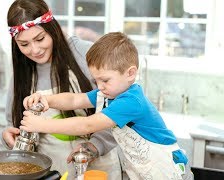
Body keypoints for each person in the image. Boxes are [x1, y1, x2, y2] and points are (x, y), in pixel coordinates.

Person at [21, 32, 194, 180]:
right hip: (146, 171)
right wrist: (47, 99)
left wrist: (42, 125)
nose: (99, 86)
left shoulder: (131, 102)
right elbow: (74, 100)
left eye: (104, 80)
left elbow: (87, 124)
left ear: (130, 73)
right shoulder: (108, 93)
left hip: (168, 172)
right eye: (95, 80)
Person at [0, 0, 122, 179]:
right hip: (51, 170)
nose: (35, 50)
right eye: (24, 44)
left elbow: (120, 108)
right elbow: (13, 122)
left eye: (40, 39)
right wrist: (8, 135)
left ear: (52, 29)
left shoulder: (85, 53)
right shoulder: (22, 72)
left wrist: (96, 145)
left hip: (98, 168)